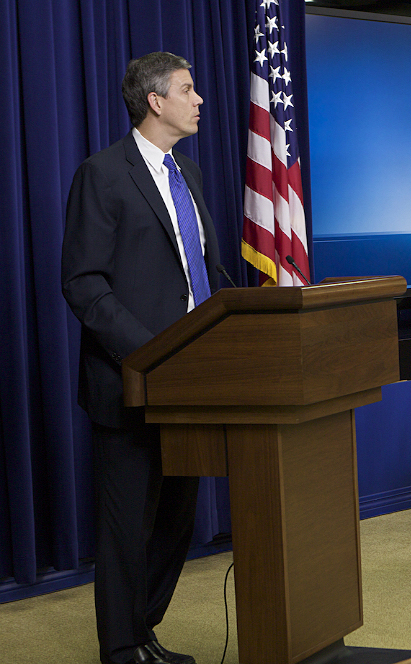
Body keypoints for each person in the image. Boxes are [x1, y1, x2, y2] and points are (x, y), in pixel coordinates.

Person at [62, 52, 218, 664]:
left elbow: (195, 272)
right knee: (128, 526)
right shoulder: (102, 175)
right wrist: (150, 354)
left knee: (177, 521)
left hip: (192, 381)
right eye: (187, 88)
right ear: (156, 101)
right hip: (131, 381)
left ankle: (144, 631)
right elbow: (83, 283)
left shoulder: (190, 175)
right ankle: (122, 649)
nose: (199, 98)